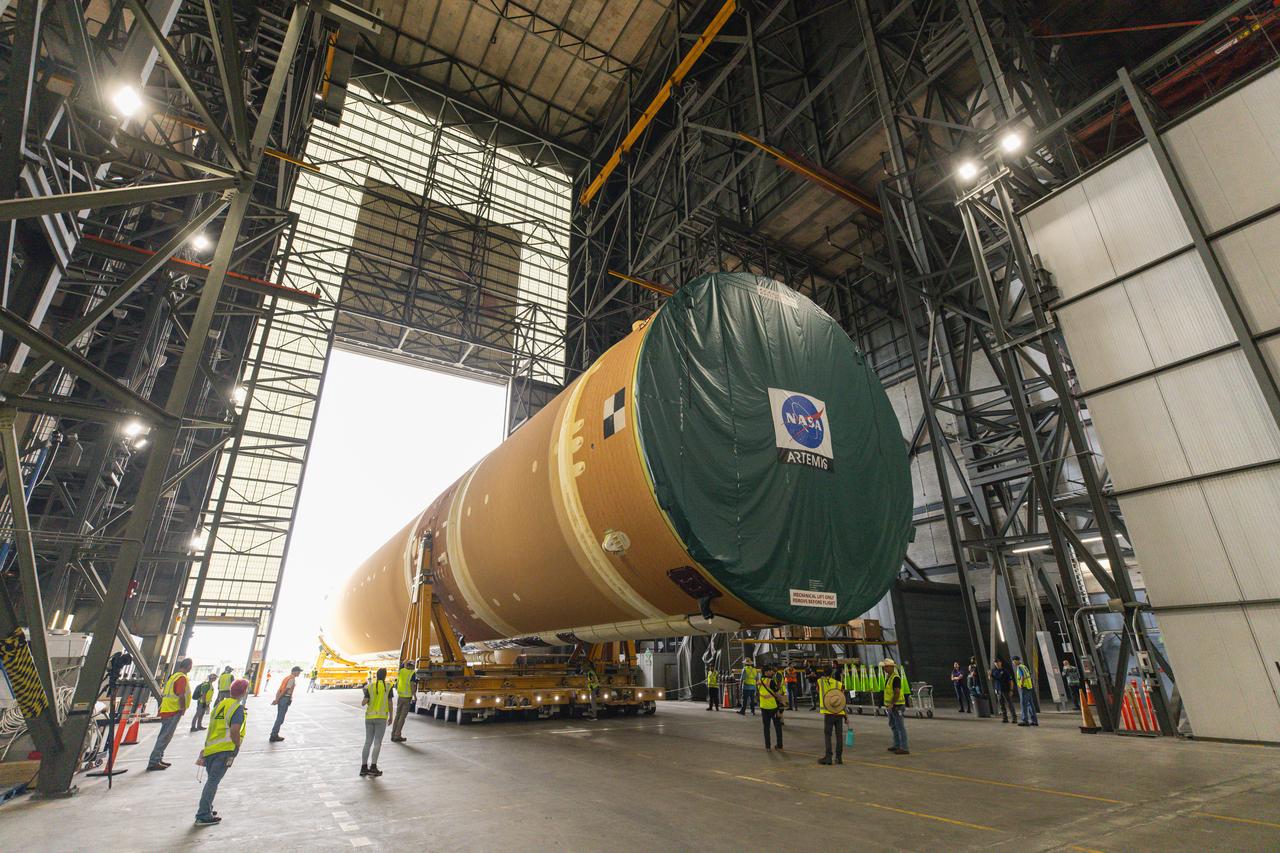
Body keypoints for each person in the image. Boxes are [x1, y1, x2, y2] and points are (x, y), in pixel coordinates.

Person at [195, 677, 248, 826]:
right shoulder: (237, 708)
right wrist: (237, 745)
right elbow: (235, 730)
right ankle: (203, 815)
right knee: (213, 782)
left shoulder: (220, 705)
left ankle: (207, 808)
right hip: (224, 750)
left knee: (211, 780)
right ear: (244, 692)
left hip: (210, 749)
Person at [147, 657, 193, 771]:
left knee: (164, 736)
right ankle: (154, 762)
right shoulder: (181, 678)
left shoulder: (174, 676)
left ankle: (158, 758)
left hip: (167, 709)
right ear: (188, 666)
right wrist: (182, 708)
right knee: (165, 737)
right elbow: (181, 694)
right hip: (173, 710)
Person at [360, 667, 392, 777]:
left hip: (369, 718)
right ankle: (373, 767)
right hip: (381, 718)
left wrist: (365, 695)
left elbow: (363, 703)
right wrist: (391, 716)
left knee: (367, 742)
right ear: (385, 675)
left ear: (376, 675)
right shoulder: (388, 686)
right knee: (377, 743)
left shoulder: (370, 686)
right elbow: (390, 702)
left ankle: (364, 768)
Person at [816, 666, 846, 765]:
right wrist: (845, 715)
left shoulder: (820, 682)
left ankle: (828, 757)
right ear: (832, 673)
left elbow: (817, 690)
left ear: (823, 672)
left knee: (828, 735)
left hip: (828, 712)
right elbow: (842, 699)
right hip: (839, 712)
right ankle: (839, 758)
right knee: (839, 736)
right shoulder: (839, 684)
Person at [882, 658, 910, 755]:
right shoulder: (889, 677)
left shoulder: (895, 678)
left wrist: (892, 703)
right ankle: (897, 744)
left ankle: (904, 747)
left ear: (891, 667)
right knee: (894, 726)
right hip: (892, 706)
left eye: (885, 667)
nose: (884, 668)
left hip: (897, 706)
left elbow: (897, 693)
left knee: (900, 726)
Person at [269, 665, 303, 742]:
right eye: (299, 672)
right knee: (280, 719)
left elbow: (280, 689)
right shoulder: (292, 679)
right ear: (295, 671)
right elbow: (285, 690)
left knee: (279, 718)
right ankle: (273, 735)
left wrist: (277, 699)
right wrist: (277, 699)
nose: (299, 673)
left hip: (282, 699)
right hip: (284, 699)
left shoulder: (287, 678)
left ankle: (274, 734)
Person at [757, 665, 785, 750]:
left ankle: (767, 746)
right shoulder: (771, 681)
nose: (771, 672)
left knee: (766, 727)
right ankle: (779, 745)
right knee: (778, 727)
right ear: (765, 672)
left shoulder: (759, 681)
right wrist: (782, 703)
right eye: (769, 671)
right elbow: (778, 694)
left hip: (763, 707)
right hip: (773, 707)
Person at [391, 660, 415, 742]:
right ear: (412, 666)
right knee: (402, 717)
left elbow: (402, 665)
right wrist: (414, 695)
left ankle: (393, 734)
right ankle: (397, 735)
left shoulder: (401, 671)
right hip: (407, 697)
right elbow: (412, 685)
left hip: (400, 696)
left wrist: (405, 661)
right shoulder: (412, 673)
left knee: (397, 715)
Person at [1013, 656, 1038, 726]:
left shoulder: (1019, 667)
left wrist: (1021, 684)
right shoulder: (1024, 666)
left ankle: (1025, 720)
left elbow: (1022, 677)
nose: (1013, 662)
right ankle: (1034, 721)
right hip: (1029, 687)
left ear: (1017, 661)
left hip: (1024, 687)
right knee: (1030, 704)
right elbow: (1029, 674)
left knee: (1023, 704)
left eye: (1013, 661)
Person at [990, 659, 1016, 723]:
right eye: (995, 663)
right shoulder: (993, 671)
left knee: (1009, 704)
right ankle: (1005, 718)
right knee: (1001, 705)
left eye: (998, 662)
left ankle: (1014, 718)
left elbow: (1011, 681)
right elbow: (991, 679)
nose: (997, 663)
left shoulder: (1005, 671)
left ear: (1000, 663)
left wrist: (1011, 690)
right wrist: (989, 675)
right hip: (998, 690)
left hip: (1006, 690)